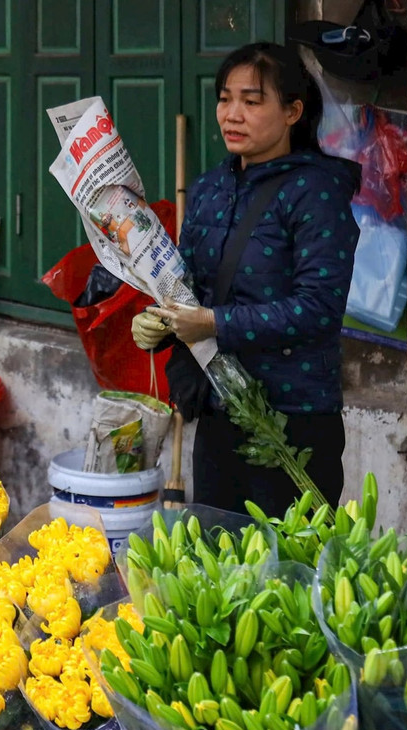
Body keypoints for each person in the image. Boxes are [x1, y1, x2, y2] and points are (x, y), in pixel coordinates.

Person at [131, 42, 361, 516]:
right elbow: (186, 284)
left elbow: (318, 308)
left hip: (294, 419)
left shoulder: (316, 192)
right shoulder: (210, 188)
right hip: (220, 412)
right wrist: (159, 322)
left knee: (285, 568)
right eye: (224, 98)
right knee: (217, 559)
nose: (232, 114)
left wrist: (214, 322)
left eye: (252, 101)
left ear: (293, 111)